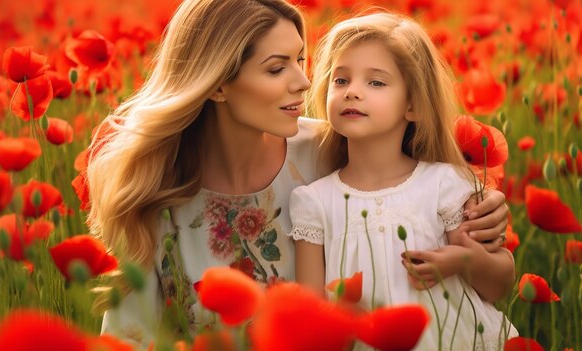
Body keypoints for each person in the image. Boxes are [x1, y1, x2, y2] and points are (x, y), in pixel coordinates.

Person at [86, 0, 511, 348]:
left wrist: (483, 208)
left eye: (301, 60)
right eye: (277, 68)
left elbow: (417, 187)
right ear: (216, 84)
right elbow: (130, 339)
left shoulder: (331, 151)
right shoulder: (152, 200)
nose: (306, 82)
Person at [288, 11, 517, 350]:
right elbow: (310, 312)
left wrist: (460, 260)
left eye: (376, 82)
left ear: (412, 104)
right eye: (341, 80)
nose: (352, 91)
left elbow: (498, 286)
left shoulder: (443, 184)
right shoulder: (314, 202)